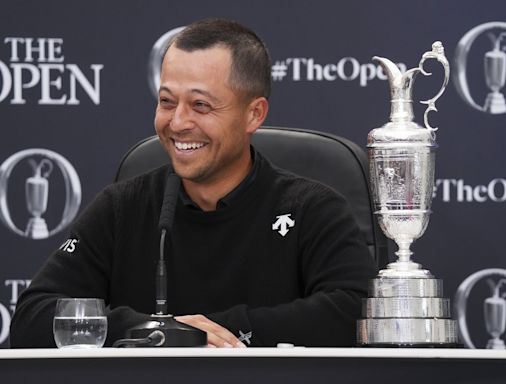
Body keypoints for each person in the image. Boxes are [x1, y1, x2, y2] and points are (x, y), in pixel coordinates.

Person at [10, 18, 377, 348]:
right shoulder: (121, 208)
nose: (178, 122)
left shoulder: (312, 208)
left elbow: (356, 313)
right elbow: (32, 318)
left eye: (200, 106)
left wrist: (223, 330)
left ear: (254, 114)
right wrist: (152, 330)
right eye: (167, 102)